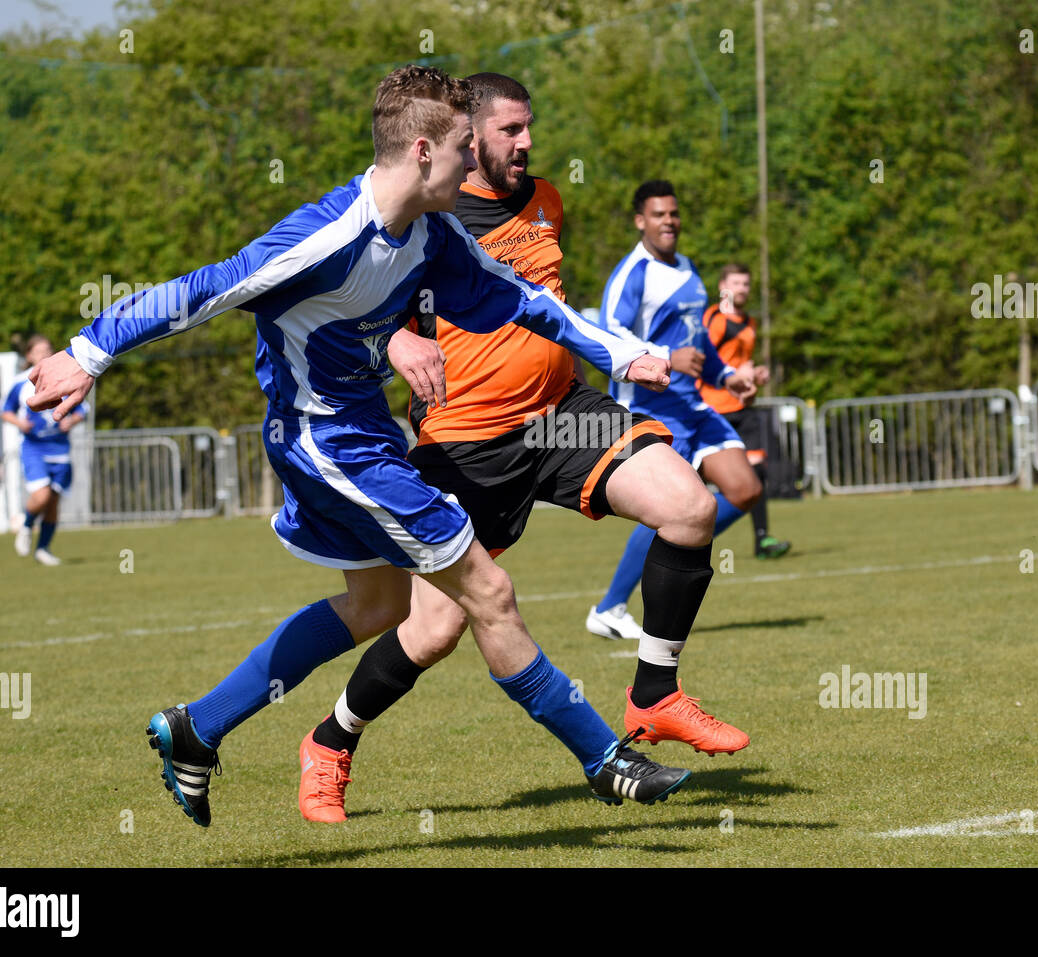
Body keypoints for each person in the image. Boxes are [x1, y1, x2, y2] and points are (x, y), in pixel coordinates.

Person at [27, 65, 688, 828]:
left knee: (379, 603)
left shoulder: (433, 235)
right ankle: (605, 759)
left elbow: (523, 301)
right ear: (420, 151)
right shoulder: (325, 236)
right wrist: (88, 350)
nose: (475, 164)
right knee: (488, 591)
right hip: (326, 445)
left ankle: (197, 727)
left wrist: (615, 352)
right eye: (465, 149)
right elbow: (201, 290)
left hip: (364, 431)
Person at [296, 73, 751, 823]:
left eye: (529, 126)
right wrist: (400, 337)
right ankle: (329, 743)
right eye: (511, 130)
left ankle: (654, 696)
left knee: (690, 507)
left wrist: (616, 353)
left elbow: (549, 310)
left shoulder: (546, 201)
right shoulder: (428, 217)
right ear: (467, 138)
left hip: (562, 417)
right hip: (465, 444)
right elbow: (356, 314)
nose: (527, 142)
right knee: (433, 629)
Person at [588, 180, 766, 640]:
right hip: (649, 405)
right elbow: (609, 332)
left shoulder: (687, 268)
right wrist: (665, 354)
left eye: (674, 213)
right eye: (659, 214)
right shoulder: (633, 273)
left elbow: (701, 338)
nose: (669, 221)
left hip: (692, 402)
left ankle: (683, 540)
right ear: (640, 221)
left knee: (746, 489)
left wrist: (729, 375)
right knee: (673, 508)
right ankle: (610, 608)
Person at [698, 264, 791, 559]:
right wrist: (739, 372)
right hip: (713, 410)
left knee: (756, 471)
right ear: (722, 285)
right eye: (736, 283)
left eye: (746, 284)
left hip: (742, 409)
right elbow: (702, 361)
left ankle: (762, 540)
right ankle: (690, 538)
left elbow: (742, 367)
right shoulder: (713, 319)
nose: (742, 289)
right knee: (700, 479)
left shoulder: (750, 323)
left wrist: (756, 376)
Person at [0, 334, 87, 565]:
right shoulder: (20, 382)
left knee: (53, 502)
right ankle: (27, 526)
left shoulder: (63, 375)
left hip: (60, 449)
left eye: (48, 349)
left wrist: (72, 421)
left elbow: (81, 408)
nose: (44, 354)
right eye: (39, 351)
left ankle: (43, 549)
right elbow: (5, 410)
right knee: (42, 495)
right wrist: (20, 424)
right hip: (34, 448)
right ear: (29, 356)